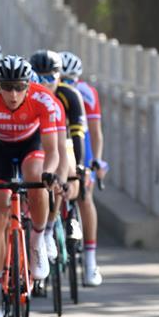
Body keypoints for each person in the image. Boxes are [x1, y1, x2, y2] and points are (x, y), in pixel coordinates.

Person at [0, 56, 61, 317]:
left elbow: (53, 152)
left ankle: (37, 240)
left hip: (31, 144)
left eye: (19, 87)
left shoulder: (43, 99)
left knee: (36, 176)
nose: (13, 94)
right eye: (7, 87)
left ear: (29, 86)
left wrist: (50, 173)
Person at [30, 50, 88, 265]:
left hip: (63, 142)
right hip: (35, 144)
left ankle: (52, 226)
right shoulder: (28, 95)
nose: (44, 84)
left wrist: (81, 164)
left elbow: (77, 134)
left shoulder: (70, 95)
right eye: (39, 77)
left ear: (59, 77)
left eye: (50, 78)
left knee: (70, 173)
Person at [59, 51, 105, 286]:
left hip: (79, 141)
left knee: (86, 199)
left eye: (71, 79)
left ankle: (90, 261)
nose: (67, 84)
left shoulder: (86, 93)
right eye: (62, 79)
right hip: (57, 142)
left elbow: (95, 132)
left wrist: (96, 160)